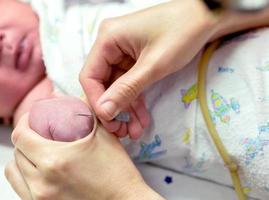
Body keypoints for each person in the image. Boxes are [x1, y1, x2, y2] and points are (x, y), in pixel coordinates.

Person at [4, 0, 269, 200]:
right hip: (248, 131)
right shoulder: (33, 107)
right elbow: (59, 146)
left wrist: (205, 14)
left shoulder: (55, 8)